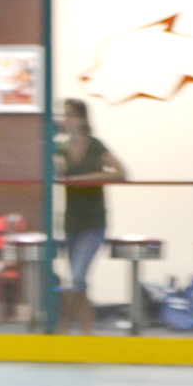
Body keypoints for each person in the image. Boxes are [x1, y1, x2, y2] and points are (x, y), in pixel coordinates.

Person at [55, 99, 125, 333]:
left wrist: (85, 178)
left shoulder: (95, 147)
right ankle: (87, 331)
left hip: (94, 222)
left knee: (75, 278)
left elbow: (121, 172)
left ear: (82, 119)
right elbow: (57, 172)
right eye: (64, 115)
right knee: (78, 281)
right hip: (71, 221)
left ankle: (63, 328)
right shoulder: (62, 149)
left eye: (70, 115)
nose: (65, 119)